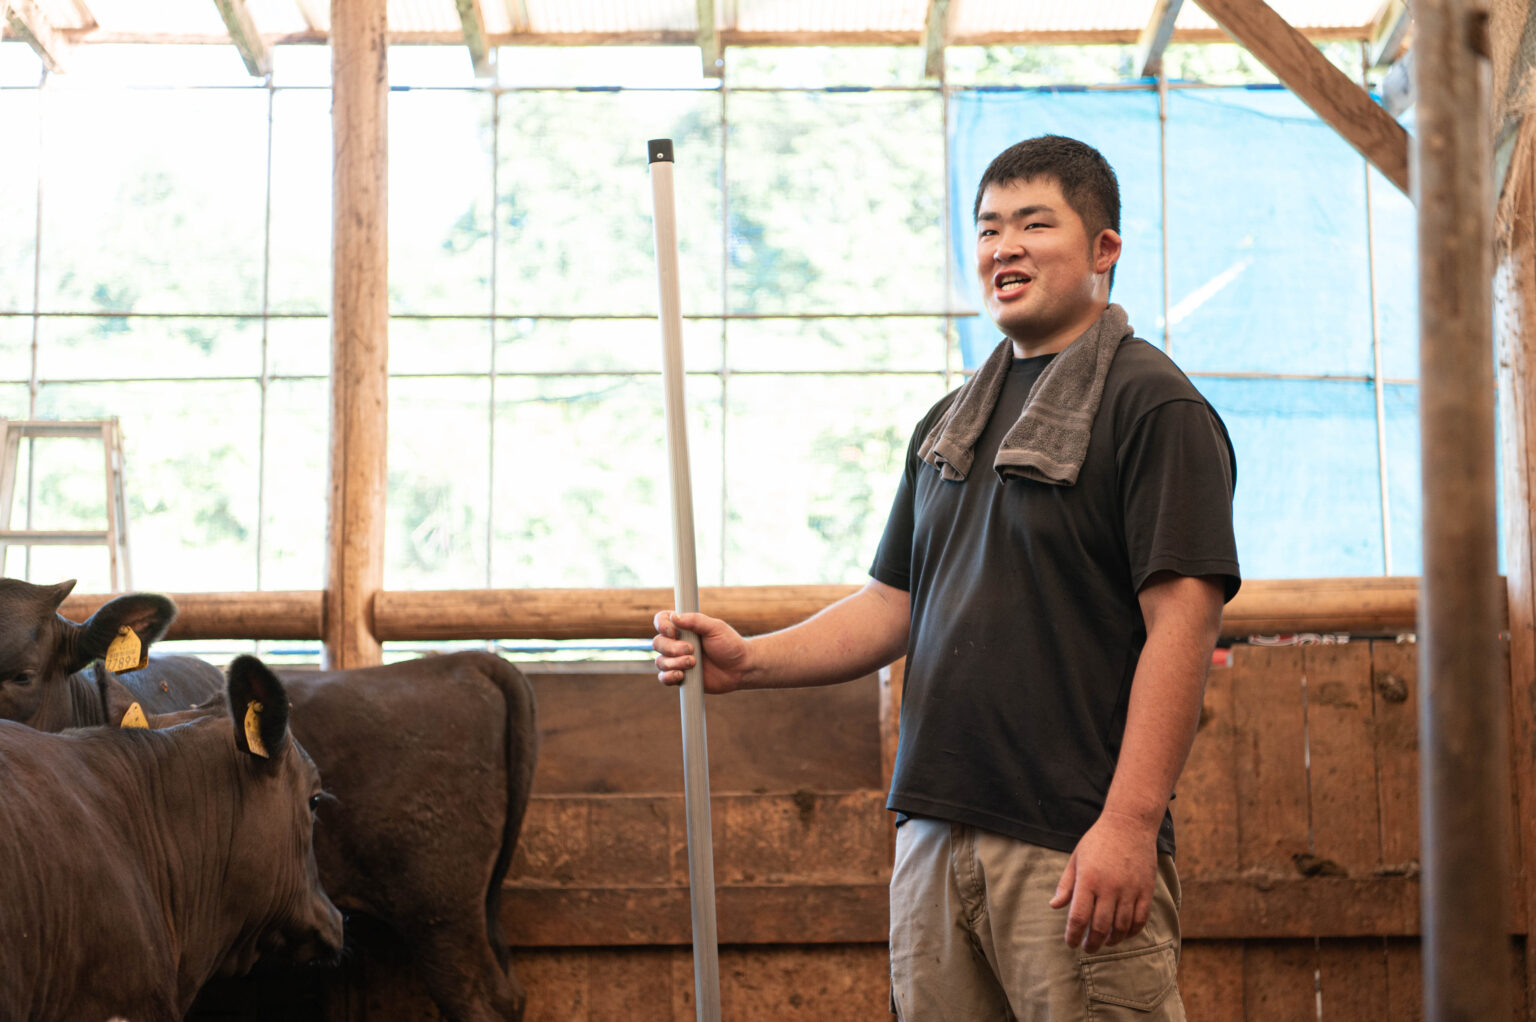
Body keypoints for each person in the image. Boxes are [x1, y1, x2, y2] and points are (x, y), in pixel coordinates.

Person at [652, 134, 1239, 1021]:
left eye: (1034, 224)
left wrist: (1127, 824)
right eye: (988, 228)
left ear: (1103, 248)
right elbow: (895, 603)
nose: (1004, 248)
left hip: (1068, 841)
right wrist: (751, 660)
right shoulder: (948, 424)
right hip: (933, 833)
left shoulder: (1153, 405)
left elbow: (1183, 627)